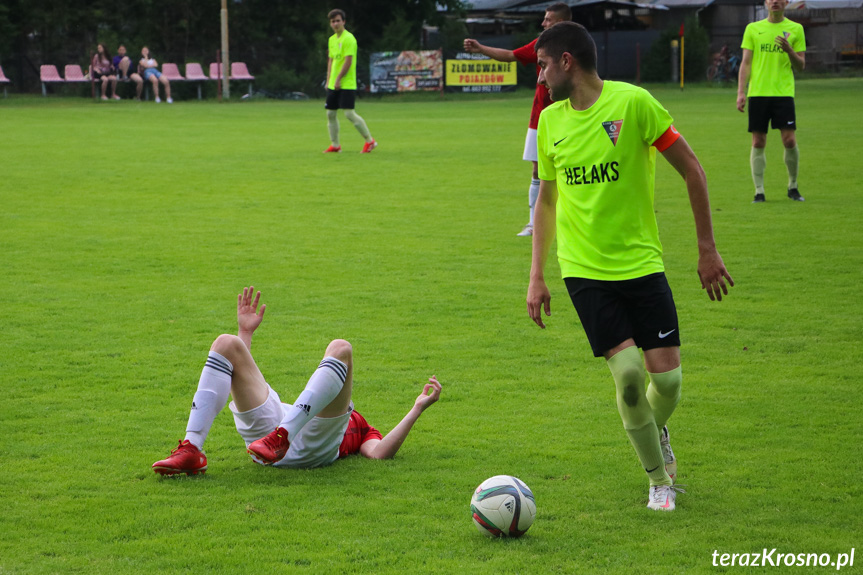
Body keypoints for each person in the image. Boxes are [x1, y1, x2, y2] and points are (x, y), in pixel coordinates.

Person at [526, 22, 734, 511]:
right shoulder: (551, 122)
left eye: (543, 66)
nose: (539, 77)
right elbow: (547, 200)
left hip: (641, 264)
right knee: (626, 378)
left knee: (668, 384)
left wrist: (707, 247)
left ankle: (656, 430)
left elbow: (693, 170)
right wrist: (537, 275)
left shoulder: (634, 104)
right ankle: (659, 479)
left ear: (567, 62)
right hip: (583, 270)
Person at [152, 286, 442, 475]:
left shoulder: (363, 428)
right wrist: (246, 334)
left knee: (342, 348)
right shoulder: (298, 413)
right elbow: (239, 375)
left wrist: (416, 409)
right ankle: (192, 449)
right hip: (267, 440)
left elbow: (378, 454)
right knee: (226, 343)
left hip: (313, 447)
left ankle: (284, 436)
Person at [464, 3, 572, 237]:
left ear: (562, 23)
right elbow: (511, 56)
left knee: (571, 166)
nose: (543, 23)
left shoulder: (577, 45)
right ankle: (534, 223)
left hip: (571, 115)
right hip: (539, 117)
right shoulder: (540, 44)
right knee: (537, 169)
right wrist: (481, 48)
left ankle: (570, 218)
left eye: (548, 20)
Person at [737, 0, 806, 203]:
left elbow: (801, 65)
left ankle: (793, 186)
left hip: (783, 93)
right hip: (758, 94)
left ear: (786, 2)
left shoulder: (796, 29)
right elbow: (746, 62)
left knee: (789, 140)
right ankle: (759, 191)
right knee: (758, 141)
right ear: (766, 3)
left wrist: (789, 50)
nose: (774, 1)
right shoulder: (753, 29)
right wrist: (741, 92)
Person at [323, 9, 377, 154]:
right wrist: (329, 80)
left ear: (344, 22)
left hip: (347, 83)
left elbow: (348, 61)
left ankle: (370, 141)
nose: (335, 24)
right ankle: (335, 145)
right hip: (334, 83)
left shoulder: (349, 39)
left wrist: (339, 79)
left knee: (349, 114)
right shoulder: (332, 40)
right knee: (330, 114)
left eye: (338, 21)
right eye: (333, 21)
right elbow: (331, 60)